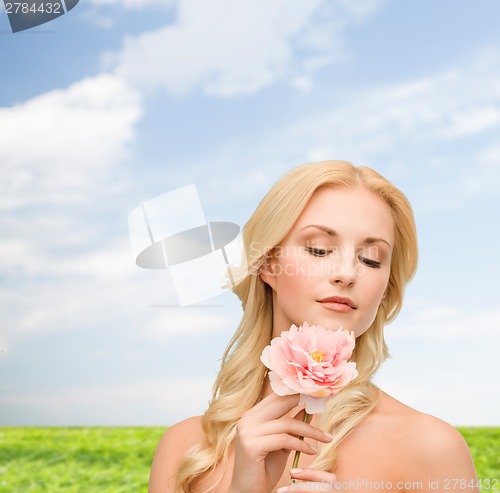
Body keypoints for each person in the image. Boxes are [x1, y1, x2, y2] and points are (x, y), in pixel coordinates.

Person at [148, 161, 478, 493]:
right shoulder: (186, 450)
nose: (347, 273)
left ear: (386, 289)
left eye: (371, 259)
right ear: (268, 264)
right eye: (318, 249)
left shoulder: (430, 448)